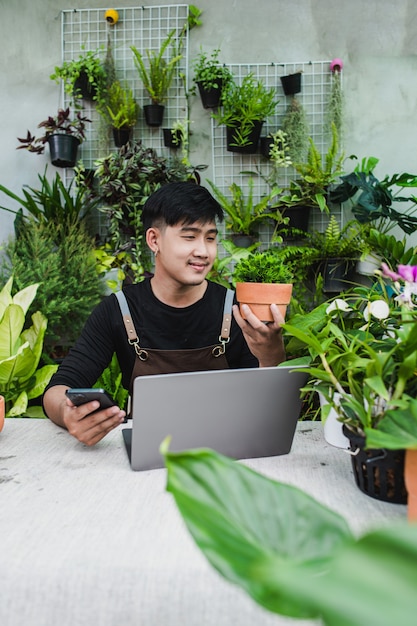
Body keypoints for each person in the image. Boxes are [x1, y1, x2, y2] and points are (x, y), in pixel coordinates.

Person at [43, 182, 286, 446]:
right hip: (147, 452)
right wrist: (68, 414)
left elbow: (269, 409)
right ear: (154, 240)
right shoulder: (118, 310)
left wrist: (271, 354)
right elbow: (59, 388)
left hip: (226, 451)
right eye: (189, 236)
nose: (203, 252)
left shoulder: (237, 309)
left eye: (211, 238)